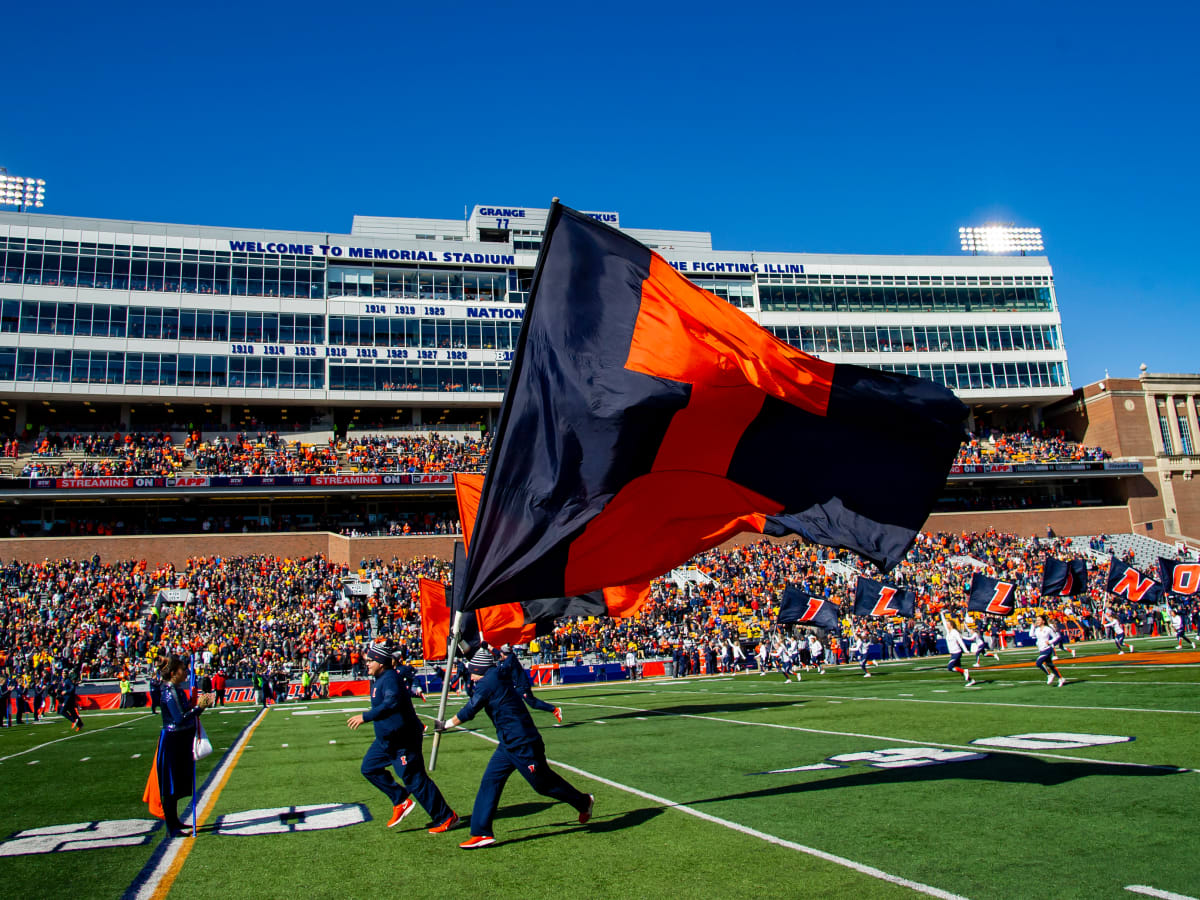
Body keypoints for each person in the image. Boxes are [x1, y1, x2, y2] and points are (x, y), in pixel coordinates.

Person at [436, 646, 593, 849]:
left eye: (473, 672)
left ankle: (583, 802)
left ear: (481, 670)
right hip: (508, 743)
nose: (471, 677)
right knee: (490, 782)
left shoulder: (488, 682)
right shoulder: (491, 675)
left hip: (523, 743)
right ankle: (481, 832)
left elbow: (470, 710)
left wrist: (446, 725)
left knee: (542, 785)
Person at [347, 639, 457, 834]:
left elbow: (391, 703)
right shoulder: (380, 679)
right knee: (369, 768)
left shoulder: (389, 679)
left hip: (402, 741)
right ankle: (400, 799)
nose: (367, 663)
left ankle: (446, 816)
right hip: (386, 741)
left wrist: (365, 717)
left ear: (380, 662)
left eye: (370, 660)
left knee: (415, 779)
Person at [155, 654, 214, 838]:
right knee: (171, 785)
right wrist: (200, 708)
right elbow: (180, 718)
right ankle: (171, 826)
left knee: (179, 783)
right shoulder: (169, 691)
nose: (185, 672)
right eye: (182, 670)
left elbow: (186, 711)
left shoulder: (176, 689)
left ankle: (175, 820)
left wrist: (198, 705)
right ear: (173, 673)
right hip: (173, 740)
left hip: (180, 739)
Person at [499, 644, 562, 724]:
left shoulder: (509, 660)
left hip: (522, 686)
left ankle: (554, 709)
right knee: (510, 701)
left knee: (533, 703)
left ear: (503, 653)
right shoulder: (511, 657)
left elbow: (503, 669)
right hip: (518, 686)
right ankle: (514, 721)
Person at [941, 613, 976, 687]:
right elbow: (944, 622)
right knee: (958, 668)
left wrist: (966, 650)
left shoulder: (954, 632)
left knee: (950, 667)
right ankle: (971, 680)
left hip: (957, 652)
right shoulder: (948, 632)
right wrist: (942, 614)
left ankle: (965, 671)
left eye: (948, 624)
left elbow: (960, 641)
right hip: (952, 653)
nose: (947, 625)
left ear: (951, 625)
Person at [1030, 615, 1066, 687]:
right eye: (1037, 620)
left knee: (1038, 663)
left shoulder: (1048, 629)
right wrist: (1032, 626)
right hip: (1041, 649)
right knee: (1051, 665)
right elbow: (1031, 635)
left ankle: (1049, 675)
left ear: (1043, 621)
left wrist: (1050, 642)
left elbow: (1056, 637)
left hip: (1047, 649)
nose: (1037, 621)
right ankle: (1061, 679)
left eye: (1039, 620)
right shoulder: (1037, 630)